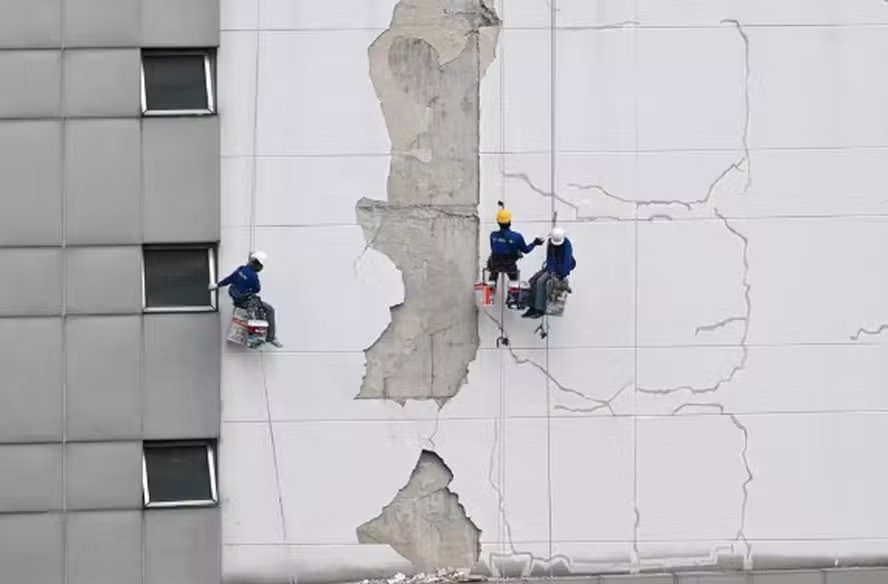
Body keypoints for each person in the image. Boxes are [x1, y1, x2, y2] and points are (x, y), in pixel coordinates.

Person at [210, 250, 283, 348]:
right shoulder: (253, 276)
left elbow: (229, 279)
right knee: (269, 309)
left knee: (259, 308)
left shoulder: (240, 269)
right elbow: (257, 289)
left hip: (237, 301)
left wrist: (217, 285)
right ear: (257, 265)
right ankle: (270, 338)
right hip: (246, 302)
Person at [522, 227, 576, 319]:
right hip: (551, 268)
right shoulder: (551, 242)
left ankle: (539, 309)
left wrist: (561, 275)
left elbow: (566, 262)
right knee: (532, 280)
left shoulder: (566, 245)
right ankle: (532, 306)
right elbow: (549, 257)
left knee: (540, 282)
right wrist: (551, 271)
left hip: (560, 270)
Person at [487, 201, 544, 283]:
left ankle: (491, 288)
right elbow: (526, 250)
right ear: (510, 222)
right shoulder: (516, 237)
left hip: (495, 265)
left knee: (492, 276)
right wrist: (534, 243)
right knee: (514, 282)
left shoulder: (493, 235)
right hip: (509, 266)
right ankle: (514, 289)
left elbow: (494, 249)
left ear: (498, 222)